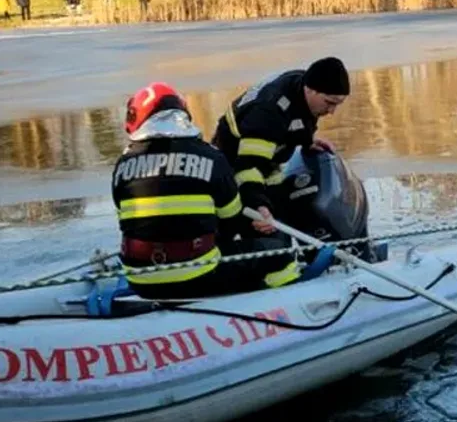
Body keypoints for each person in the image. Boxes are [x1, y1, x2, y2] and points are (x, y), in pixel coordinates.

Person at [112, 83, 322, 299]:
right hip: (199, 275)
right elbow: (232, 218)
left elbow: (128, 219)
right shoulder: (211, 157)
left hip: (140, 281)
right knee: (279, 253)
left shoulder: (123, 164)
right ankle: (285, 303)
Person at [212, 57, 349, 234]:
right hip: (233, 162)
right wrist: (259, 205)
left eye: (337, 104)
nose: (332, 111)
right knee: (262, 227)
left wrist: (307, 140)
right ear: (310, 89)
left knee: (281, 209)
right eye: (329, 103)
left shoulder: (301, 85)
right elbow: (248, 168)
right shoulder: (268, 113)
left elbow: (298, 117)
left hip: (266, 157)